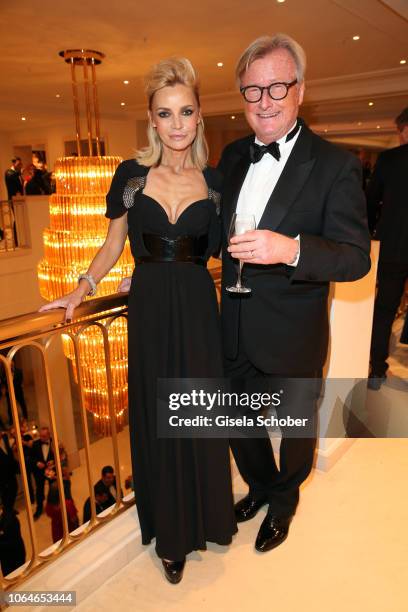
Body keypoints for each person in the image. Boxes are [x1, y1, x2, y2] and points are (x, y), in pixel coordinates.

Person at [38, 57, 237, 584]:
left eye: (186, 112)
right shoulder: (129, 176)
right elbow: (111, 245)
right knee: (158, 417)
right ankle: (172, 535)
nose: (176, 124)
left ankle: (206, 517)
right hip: (148, 307)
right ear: (152, 120)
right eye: (164, 113)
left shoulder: (215, 183)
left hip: (196, 306)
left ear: (197, 118)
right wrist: (83, 288)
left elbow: (217, 253)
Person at [218, 34, 371, 553]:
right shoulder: (234, 154)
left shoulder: (335, 164)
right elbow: (214, 230)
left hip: (294, 333)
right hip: (233, 322)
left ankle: (285, 500)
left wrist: (291, 250)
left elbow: (355, 258)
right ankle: (261, 486)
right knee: (239, 423)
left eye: (277, 86)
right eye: (252, 89)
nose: (264, 100)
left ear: (300, 90)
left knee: (295, 428)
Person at [366, 107, 408, 389]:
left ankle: (377, 370)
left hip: (393, 248)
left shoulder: (389, 159)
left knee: (384, 311)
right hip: (395, 247)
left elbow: (369, 203)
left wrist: (368, 235)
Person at [31, 426, 54, 520]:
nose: (41, 438)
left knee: (53, 488)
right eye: (40, 436)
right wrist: (37, 463)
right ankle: (39, 508)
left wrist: (53, 461)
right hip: (39, 472)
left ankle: (52, 506)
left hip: (51, 470)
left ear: (49, 435)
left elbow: (61, 456)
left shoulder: (55, 443)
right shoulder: (35, 444)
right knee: (39, 490)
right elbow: (30, 458)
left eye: (44, 436)